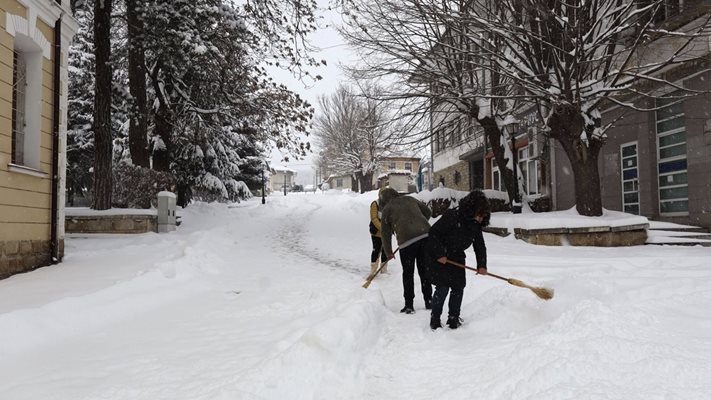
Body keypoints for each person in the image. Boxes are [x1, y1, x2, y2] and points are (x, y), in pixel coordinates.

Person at [426, 190, 490, 330]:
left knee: (458, 287)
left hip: (457, 257)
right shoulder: (452, 216)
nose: (480, 218)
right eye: (479, 214)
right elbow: (433, 233)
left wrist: (482, 265)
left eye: (482, 215)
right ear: (471, 208)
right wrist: (440, 254)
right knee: (442, 288)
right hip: (441, 257)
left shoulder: (475, 224)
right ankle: (435, 318)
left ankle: (453, 318)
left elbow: (479, 246)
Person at [379, 187, 433, 314]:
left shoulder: (387, 209)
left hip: (407, 242)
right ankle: (429, 300)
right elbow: (428, 211)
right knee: (424, 271)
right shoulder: (410, 199)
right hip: (425, 237)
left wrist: (389, 252)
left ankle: (409, 305)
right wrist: (419, 223)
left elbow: (385, 233)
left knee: (408, 273)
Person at [369, 188, 389, 275]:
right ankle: (373, 269)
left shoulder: (389, 205)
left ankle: (384, 269)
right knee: (376, 250)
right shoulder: (375, 204)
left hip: (387, 233)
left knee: (386, 251)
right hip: (376, 232)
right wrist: (382, 228)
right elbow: (374, 218)